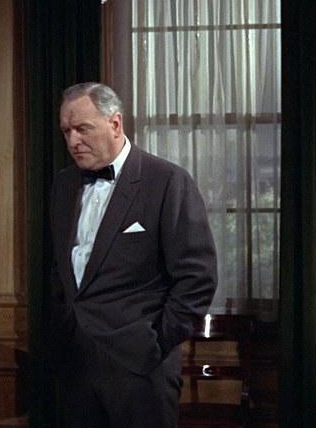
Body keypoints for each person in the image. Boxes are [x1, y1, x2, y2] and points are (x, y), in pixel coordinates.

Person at [44, 82, 218, 427]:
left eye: (83, 128)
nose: (73, 140)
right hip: (75, 363)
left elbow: (198, 278)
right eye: (66, 131)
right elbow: (60, 268)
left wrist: (154, 342)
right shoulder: (64, 184)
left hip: (140, 366)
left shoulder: (167, 181)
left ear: (115, 124)